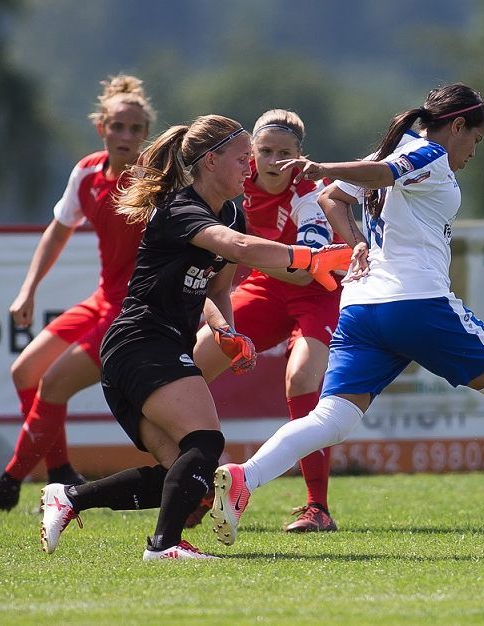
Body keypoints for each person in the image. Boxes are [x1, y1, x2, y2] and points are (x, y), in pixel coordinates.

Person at [210, 83, 484, 550]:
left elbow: (332, 199)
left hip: (361, 307)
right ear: (457, 126)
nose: (471, 152)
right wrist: (321, 169)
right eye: (474, 140)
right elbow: (379, 175)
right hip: (416, 301)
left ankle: (245, 478)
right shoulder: (428, 154)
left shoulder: (392, 148)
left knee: (334, 418)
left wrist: (356, 241)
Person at [36, 115, 354, 561]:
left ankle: (69, 498)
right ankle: (163, 546)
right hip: (141, 343)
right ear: (210, 162)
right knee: (205, 444)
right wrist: (309, 258)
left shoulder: (231, 210)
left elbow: (218, 288)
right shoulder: (183, 209)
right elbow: (241, 249)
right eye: (244, 157)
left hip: (150, 348)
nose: (251, 167)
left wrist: (228, 331)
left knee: (186, 476)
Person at [0, 74, 155, 511]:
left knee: (52, 384)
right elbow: (58, 232)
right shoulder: (86, 172)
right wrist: (28, 290)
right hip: (103, 300)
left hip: (132, 312)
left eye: (135, 129)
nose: (125, 135)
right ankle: (61, 471)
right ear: (100, 126)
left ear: (146, 134)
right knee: (24, 372)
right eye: (117, 126)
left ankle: (8, 483)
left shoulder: (152, 182)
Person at [191, 109, 341, 533]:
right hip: (266, 287)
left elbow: (307, 267)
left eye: (286, 153)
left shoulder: (310, 191)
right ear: (251, 153)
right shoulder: (237, 181)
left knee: (301, 379)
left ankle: (318, 508)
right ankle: (198, 481)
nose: (275, 161)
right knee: (190, 369)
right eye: (265, 151)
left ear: (300, 156)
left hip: (316, 291)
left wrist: (242, 252)